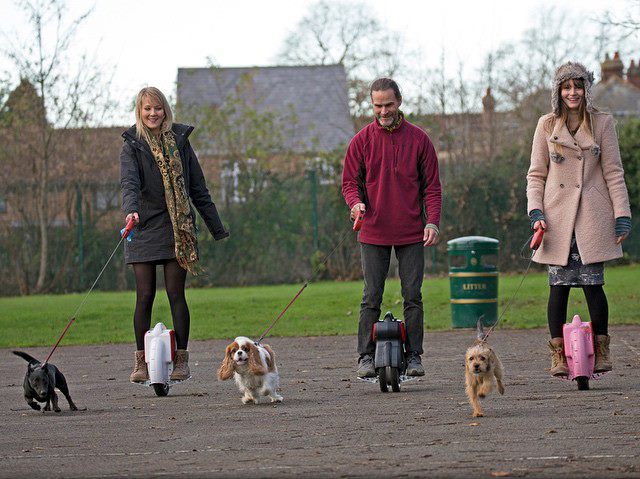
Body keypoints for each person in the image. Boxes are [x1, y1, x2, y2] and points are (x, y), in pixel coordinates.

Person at [526, 62, 632, 376]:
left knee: (593, 286)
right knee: (557, 289)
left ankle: (602, 351)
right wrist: (535, 211)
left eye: (578, 86)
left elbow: (614, 173)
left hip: (592, 217)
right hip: (557, 218)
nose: (573, 93)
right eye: (566, 87)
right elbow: (536, 174)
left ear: (587, 89)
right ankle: (558, 355)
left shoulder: (603, 122)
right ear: (558, 91)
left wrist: (621, 214)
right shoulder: (546, 124)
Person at [120, 87, 229, 383]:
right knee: (144, 295)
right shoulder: (131, 145)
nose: (153, 113)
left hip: (176, 228)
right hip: (143, 226)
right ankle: (140, 362)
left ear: (165, 110)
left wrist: (216, 227)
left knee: (175, 293)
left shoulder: (180, 140)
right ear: (140, 112)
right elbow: (129, 183)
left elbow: (197, 188)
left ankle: (181, 359)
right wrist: (131, 211)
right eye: (147, 109)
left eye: (158, 108)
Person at [342, 78, 442, 378]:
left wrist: (432, 221)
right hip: (373, 232)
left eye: (388, 104)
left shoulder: (419, 140)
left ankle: (414, 356)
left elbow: (432, 188)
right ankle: (365, 357)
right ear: (372, 105)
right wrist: (356, 203)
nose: (383, 111)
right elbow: (349, 183)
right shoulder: (361, 141)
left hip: (412, 232)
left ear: (399, 101)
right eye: (378, 106)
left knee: (413, 295)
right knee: (371, 296)